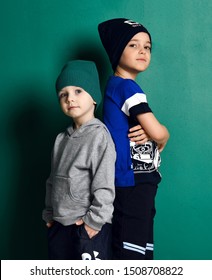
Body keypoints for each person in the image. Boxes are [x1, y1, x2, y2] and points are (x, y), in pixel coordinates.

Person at [98, 18, 170, 260]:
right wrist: (163, 133)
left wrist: (157, 133)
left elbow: (154, 133)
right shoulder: (127, 88)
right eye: (133, 45)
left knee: (139, 247)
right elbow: (159, 133)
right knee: (132, 251)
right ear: (117, 50)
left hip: (138, 180)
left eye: (147, 46)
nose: (142, 51)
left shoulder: (119, 86)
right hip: (132, 181)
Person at [42, 60, 116, 260]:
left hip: (87, 227)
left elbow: (105, 183)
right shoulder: (60, 139)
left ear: (94, 98)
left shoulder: (99, 136)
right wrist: (49, 213)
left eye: (78, 91)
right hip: (59, 226)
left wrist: (94, 222)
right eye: (63, 94)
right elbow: (52, 180)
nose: (70, 99)